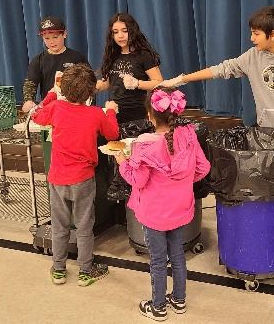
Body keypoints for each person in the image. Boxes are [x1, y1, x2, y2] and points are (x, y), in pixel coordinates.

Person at [160, 5, 274, 262]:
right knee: (272, 188)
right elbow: (220, 70)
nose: (251, 38)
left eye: (256, 34)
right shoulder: (252, 57)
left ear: (272, 34)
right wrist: (181, 80)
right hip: (267, 134)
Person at [114, 88, 210, 321]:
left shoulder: (144, 146)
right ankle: (179, 300)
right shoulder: (188, 135)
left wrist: (122, 161)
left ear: (149, 116)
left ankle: (157, 307)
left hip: (154, 214)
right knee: (177, 255)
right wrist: (183, 183)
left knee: (158, 260)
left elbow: (137, 179)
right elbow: (203, 168)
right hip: (181, 208)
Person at [31, 64, 120, 287]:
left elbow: (37, 116)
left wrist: (52, 92)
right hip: (83, 179)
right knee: (84, 226)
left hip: (57, 178)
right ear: (92, 92)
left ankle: (59, 269)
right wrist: (110, 110)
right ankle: (85, 271)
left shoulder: (56, 108)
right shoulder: (95, 114)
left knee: (60, 226)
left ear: (64, 89)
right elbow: (113, 134)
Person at [96, 13, 163, 124]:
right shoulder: (112, 55)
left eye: (125, 31)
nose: (120, 36)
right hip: (114, 111)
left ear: (132, 31)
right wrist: (90, 87)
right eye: (115, 32)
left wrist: (137, 83)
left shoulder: (143, 55)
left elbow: (159, 82)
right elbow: (106, 83)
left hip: (137, 113)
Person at [22, 16, 90, 112]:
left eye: (55, 37)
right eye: (47, 38)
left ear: (64, 34)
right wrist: (28, 100)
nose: (52, 42)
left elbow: (89, 82)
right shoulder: (38, 60)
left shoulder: (77, 57)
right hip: (50, 109)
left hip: (75, 108)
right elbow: (30, 83)